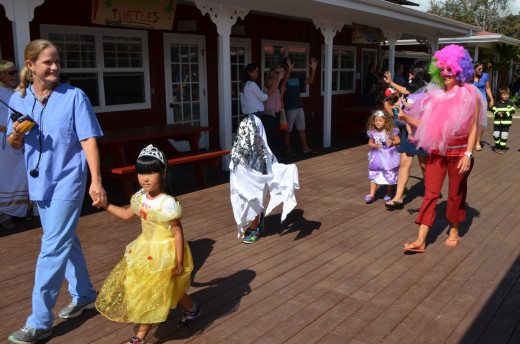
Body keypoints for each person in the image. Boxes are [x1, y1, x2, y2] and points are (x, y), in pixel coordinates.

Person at [6, 39, 106, 344]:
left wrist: (96, 180)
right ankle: (86, 294)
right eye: (47, 62)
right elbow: (11, 143)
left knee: (51, 247)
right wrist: (17, 136)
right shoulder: (17, 99)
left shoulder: (74, 96)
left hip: (68, 181)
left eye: (57, 61)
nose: (54, 67)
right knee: (65, 239)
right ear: (31, 66)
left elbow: (88, 139)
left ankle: (39, 321)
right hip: (39, 182)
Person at [95, 145, 199, 344]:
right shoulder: (140, 197)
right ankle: (192, 309)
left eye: (151, 172)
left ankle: (139, 338)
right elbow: (126, 215)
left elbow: (177, 232)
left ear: (163, 172)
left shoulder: (167, 203)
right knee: (169, 288)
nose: (145, 178)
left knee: (154, 293)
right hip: (145, 250)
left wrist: (179, 261)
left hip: (165, 253)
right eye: (141, 173)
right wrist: (105, 205)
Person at [397, 45, 487, 253]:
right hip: (437, 152)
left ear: (460, 70)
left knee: (456, 193)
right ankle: (421, 239)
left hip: (460, 153)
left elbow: (474, 126)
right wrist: (403, 117)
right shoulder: (434, 95)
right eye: (443, 69)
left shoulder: (470, 94)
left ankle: (454, 228)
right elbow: (425, 124)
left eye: (451, 70)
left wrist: (468, 154)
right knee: (431, 193)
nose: (446, 74)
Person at [231, 64, 299, 244]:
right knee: (248, 195)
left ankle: (256, 226)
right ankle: (256, 222)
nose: (257, 73)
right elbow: (263, 97)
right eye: (255, 71)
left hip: (251, 124)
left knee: (254, 194)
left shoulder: (243, 86)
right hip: (254, 117)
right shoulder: (252, 87)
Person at [383, 65, 429, 209]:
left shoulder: (427, 93)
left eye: (410, 76)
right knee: (404, 162)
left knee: (424, 164)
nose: (408, 78)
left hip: (421, 133)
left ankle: (430, 192)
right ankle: (398, 197)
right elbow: (404, 91)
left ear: (415, 77)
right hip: (408, 133)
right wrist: (390, 83)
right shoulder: (411, 90)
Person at [0, 59, 29, 230]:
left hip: (16, 139)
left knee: (19, 176)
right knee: (4, 178)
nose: (14, 76)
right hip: (2, 142)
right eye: (10, 73)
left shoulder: (13, 93)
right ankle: (4, 214)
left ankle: (19, 210)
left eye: (15, 72)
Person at [281, 56, 318, 155]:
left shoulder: (296, 75)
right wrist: (288, 70)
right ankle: (287, 149)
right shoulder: (282, 75)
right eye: (288, 64)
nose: (290, 66)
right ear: (284, 65)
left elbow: (310, 81)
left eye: (291, 64)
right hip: (289, 107)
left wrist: (313, 70)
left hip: (299, 106)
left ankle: (305, 148)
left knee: (301, 128)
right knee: (288, 130)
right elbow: (284, 83)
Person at [365, 110, 400, 204]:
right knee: (374, 173)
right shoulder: (372, 132)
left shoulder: (390, 131)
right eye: (376, 120)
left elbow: (398, 140)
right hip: (376, 156)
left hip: (388, 157)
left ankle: (389, 192)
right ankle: (372, 194)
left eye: (380, 120)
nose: (377, 123)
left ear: (386, 121)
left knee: (389, 173)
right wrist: (373, 146)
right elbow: (370, 142)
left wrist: (392, 142)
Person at [262, 65, 284, 151]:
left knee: (274, 134)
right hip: (269, 112)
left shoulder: (277, 82)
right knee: (269, 134)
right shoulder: (269, 81)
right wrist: (278, 79)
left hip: (276, 111)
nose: (279, 74)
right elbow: (273, 90)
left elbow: (277, 97)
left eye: (280, 72)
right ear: (272, 72)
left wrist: (282, 92)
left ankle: (273, 155)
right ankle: (269, 155)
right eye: (278, 72)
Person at [473, 61, 494, 151]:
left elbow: (487, 88)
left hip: (482, 101)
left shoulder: (485, 76)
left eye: (482, 68)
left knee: (481, 122)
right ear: (474, 69)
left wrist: (492, 99)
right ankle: (470, 141)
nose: (481, 70)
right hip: (471, 102)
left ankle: (478, 142)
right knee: (470, 122)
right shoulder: (469, 77)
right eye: (479, 69)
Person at [491, 87, 515, 154]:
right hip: (497, 123)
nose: (506, 96)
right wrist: (497, 113)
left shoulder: (510, 104)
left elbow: (512, 111)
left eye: (507, 94)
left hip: (506, 123)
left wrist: (504, 114)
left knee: (504, 136)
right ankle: (498, 144)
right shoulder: (497, 103)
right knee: (496, 135)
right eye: (504, 95)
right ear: (500, 95)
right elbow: (493, 110)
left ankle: (502, 148)